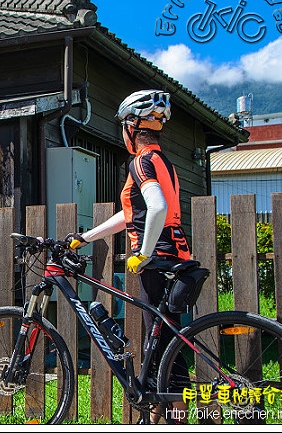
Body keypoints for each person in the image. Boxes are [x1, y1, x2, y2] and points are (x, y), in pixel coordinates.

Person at [66, 89, 190, 423]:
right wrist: (86, 237)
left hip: (159, 259)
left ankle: (171, 417)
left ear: (131, 127)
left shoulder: (141, 161)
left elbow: (158, 208)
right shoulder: (162, 160)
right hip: (175, 254)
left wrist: (144, 253)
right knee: (165, 342)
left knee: (163, 346)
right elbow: (131, 214)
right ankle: (165, 417)